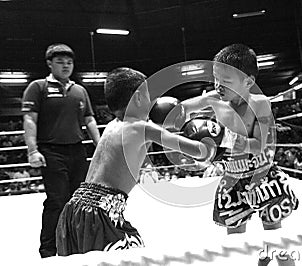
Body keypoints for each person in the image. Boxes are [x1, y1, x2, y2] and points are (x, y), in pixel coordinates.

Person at [55, 67, 217, 256]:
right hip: (99, 216)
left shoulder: (112, 126)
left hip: (73, 210)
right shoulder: (142, 128)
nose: (154, 101)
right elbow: (200, 151)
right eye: (151, 95)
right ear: (139, 97)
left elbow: (172, 120)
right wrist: (213, 136)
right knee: (135, 256)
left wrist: (202, 102)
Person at [180, 44, 298, 264]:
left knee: (275, 238)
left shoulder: (260, 104)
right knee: (235, 242)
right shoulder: (213, 99)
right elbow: (183, 108)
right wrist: (164, 115)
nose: (218, 86)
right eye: (216, 79)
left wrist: (225, 138)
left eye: (226, 81)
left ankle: (270, 257)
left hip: (261, 175)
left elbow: (259, 145)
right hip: (232, 177)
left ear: (248, 81)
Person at [21, 43, 101, 258]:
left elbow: (89, 119)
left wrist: (99, 144)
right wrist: (32, 150)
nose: (66, 66)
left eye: (69, 62)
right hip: (51, 150)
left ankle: (74, 244)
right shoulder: (38, 87)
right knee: (57, 200)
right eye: (60, 62)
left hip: (77, 150)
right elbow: (30, 119)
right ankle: (48, 249)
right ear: (49, 64)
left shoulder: (79, 90)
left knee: (79, 200)